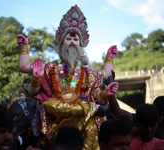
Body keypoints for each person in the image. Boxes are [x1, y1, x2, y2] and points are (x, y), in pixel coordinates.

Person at [16, 4, 119, 150]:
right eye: (68, 38)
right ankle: (91, 109)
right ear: (61, 42)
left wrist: (109, 59)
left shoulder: (87, 72)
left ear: (81, 44)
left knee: (92, 124)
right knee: (50, 105)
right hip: (55, 118)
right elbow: (26, 72)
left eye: (75, 40)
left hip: (81, 121)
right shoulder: (50, 67)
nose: (72, 42)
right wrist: (35, 74)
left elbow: (103, 81)